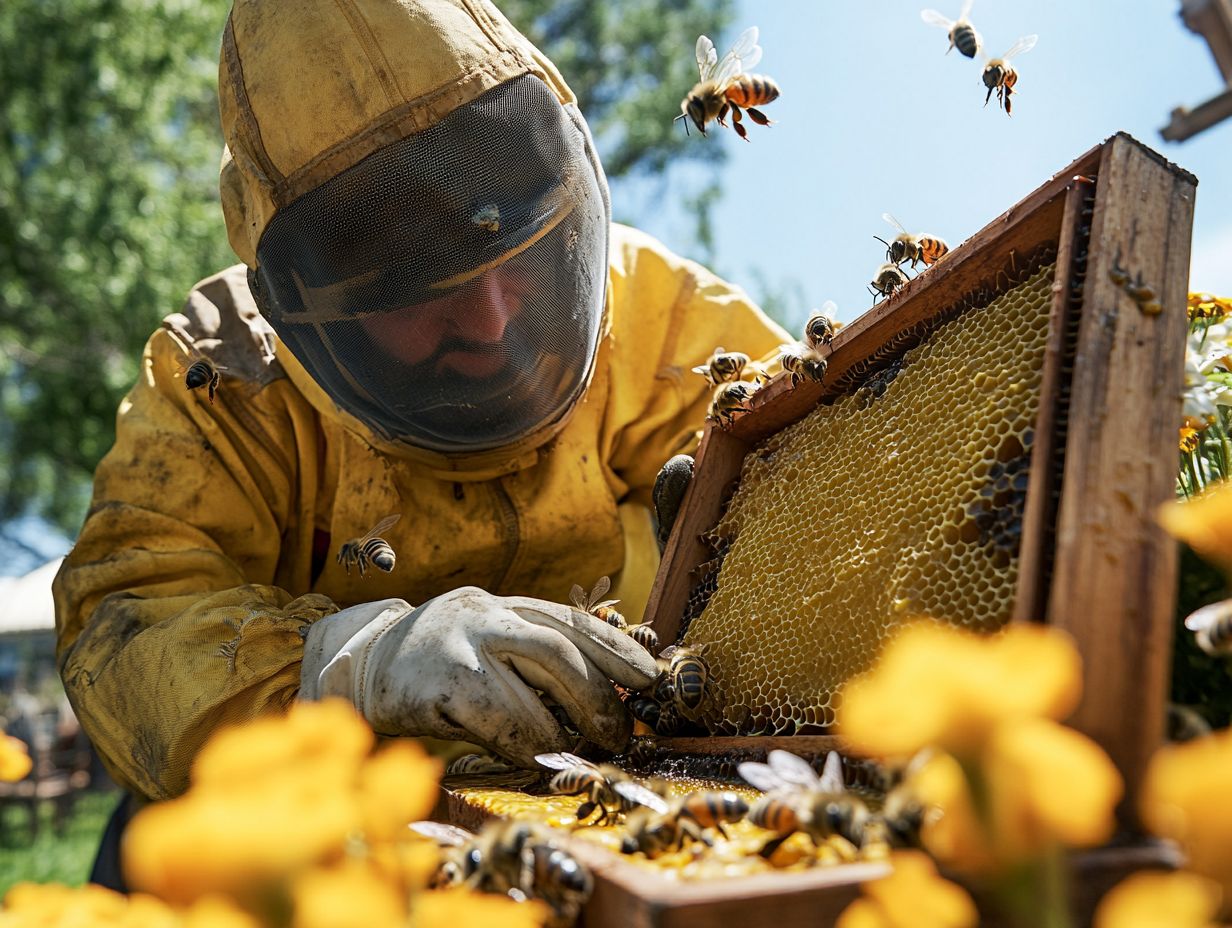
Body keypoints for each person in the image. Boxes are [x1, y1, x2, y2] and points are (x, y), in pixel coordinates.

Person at [52, 0, 788, 809]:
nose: (493, 320)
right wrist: (345, 665)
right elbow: (125, 619)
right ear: (306, 300)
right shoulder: (224, 381)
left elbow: (854, 486)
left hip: (635, 787)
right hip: (323, 818)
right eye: (411, 289)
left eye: (522, 253)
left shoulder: (670, 322)